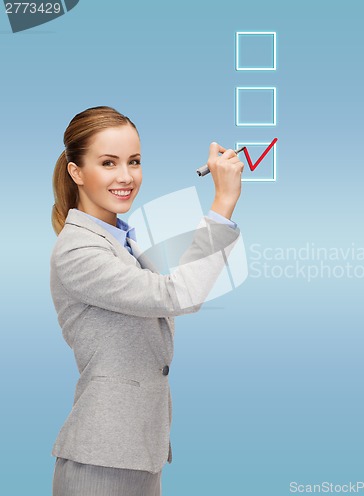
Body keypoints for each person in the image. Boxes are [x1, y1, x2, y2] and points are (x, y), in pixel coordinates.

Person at [50, 106, 243, 496]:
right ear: (76, 172)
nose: (126, 176)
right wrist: (222, 204)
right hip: (102, 462)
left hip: (139, 454)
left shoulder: (123, 242)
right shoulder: (78, 250)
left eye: (134, 162)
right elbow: (177, 294)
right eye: (108, 163)